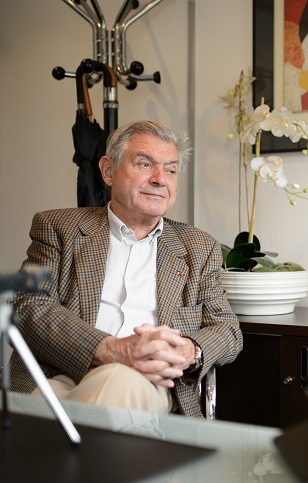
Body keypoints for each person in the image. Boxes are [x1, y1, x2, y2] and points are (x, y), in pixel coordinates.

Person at [9, 120, 243, 418]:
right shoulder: (59, 228)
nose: (160, 179)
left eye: (171, 170)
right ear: (108, 171)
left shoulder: (198, 247)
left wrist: (188, 350)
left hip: (148, 383)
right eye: (145, 164)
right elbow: (30, 307)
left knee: (118, 382)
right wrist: (112, 350)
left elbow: (228, 330)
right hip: (59, 375)